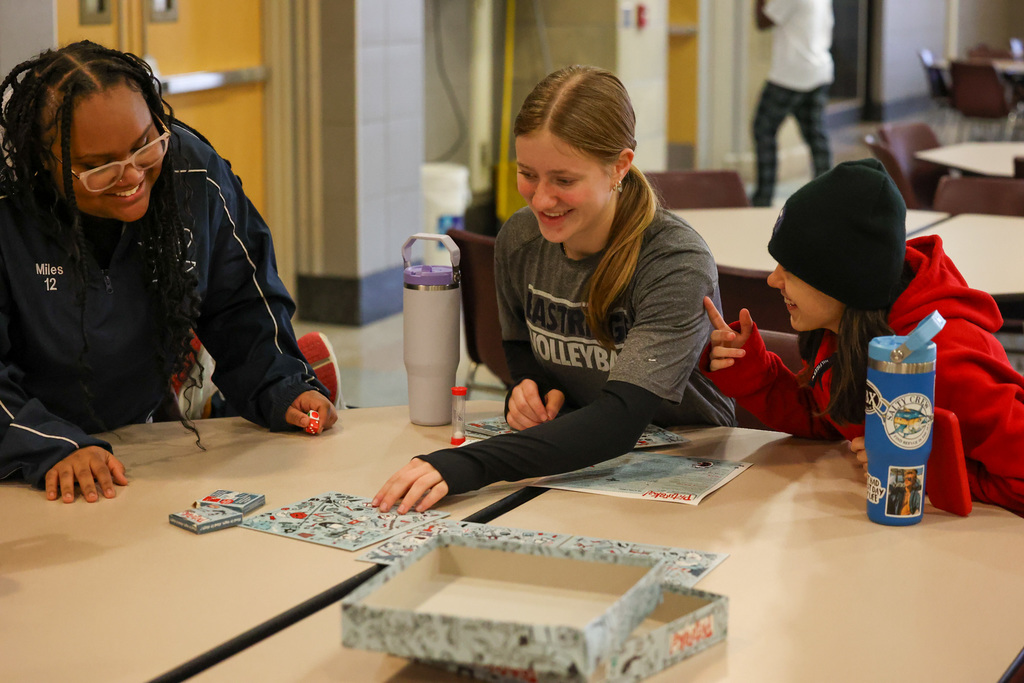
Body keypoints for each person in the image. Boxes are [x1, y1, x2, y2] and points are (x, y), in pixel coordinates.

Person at [375, 65, 735, 514]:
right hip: (575, 460)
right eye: (528, 174)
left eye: (564, 181)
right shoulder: (521, 237)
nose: (542, 200)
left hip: (692, 463)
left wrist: (467, 464)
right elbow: (520, 346)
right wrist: (530, 390)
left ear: (619, 167)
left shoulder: (675, 261)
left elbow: (619, 421)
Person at [0, 41, 339, 505]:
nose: (131, 177)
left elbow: (242, 301)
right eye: (97, 167)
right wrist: (49, 445)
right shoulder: (9, 210)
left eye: (145, 145)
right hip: (25, 462)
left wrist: (281, 386)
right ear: (44, 161)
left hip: (138, 450)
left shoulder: (192, 171)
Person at [702, 158, 1024, 516]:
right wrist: (753, 371)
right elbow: (829, 416)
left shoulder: (945, 363)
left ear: (843, 281)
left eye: (791, 270)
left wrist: (923, 469)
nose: (773, 279)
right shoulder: (844, 328)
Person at [750, 0, 834, 207]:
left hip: (791, 75)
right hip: (818, 69)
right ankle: (828, 197)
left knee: (763, 129)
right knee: (816, 137)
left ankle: (763, 198)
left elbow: (763, 21)